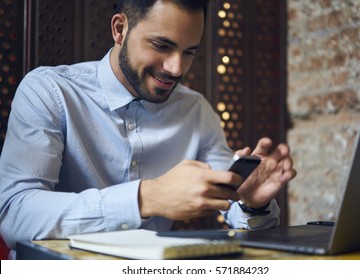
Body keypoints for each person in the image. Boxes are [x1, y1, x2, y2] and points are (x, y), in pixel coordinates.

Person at [0, 0, 296, 255]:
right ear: (119, 29)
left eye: (189, 52)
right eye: (161, 46)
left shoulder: (196, 111)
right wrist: (146, 198)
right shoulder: (49, 91)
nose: (177, 68)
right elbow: (15, 216)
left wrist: (251, 203)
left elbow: (233, 205)